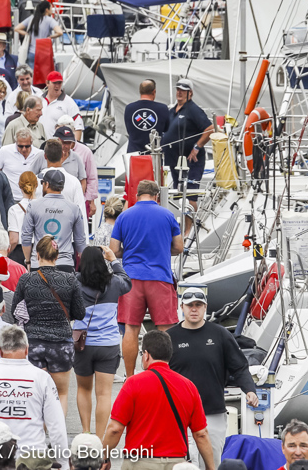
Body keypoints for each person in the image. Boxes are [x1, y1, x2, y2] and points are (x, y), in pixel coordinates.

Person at [169, 288, 259, 465]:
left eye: (198, 305)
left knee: (213, 463)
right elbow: (158, 374)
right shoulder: (170, 337)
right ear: (182, 307)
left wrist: (249, 390)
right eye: (190, 305)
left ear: (205, 308)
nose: (194, 309)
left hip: (213, 411)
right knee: (181, 464)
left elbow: (239, 366)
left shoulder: (220, 334)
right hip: (178, 414)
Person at [103, 330, 215, 470]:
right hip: (177, 464)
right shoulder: (189, 386)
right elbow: (201, 434)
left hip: (140, 463)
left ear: (146, 355)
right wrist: (211, 467)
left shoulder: (133, 384)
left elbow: (115, 429)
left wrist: (104, 456)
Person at [110, 179, 183, 378]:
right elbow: (179, 247)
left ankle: (130, 376)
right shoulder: (168, 215)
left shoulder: (124, 217)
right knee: (165, 329)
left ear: (137, 195)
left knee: (131, 329)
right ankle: (167, 375)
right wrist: (160, 249)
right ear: (156, 196)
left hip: (132, 279)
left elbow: (114, 250)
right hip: (160, 278)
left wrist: (131, 251)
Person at [0, 325, 68, 458]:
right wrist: (63, 464)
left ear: (0, 351)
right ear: (27, 350)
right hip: (33, 460)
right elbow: (57, 427)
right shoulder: (42, 378)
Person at [12, 236, 85, 413]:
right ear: (57, 255)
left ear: (37, 255)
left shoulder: (26, 279)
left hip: (34, 342)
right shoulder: (70, 279)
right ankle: (57, 437)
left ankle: (38, 436)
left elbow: (15, 309)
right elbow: (80, 313)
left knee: (36, 394)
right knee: (61, 393)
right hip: (61, 343)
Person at [74, 245, 132, 438]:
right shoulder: (114, 282)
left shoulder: (76, 282)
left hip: (82, 344)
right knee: (104, 394)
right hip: (108, 344)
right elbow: (127, 282)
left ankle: (85, 432)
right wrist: (113, 259)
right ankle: (99, 439)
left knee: (83, 388)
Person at [161, 78, 214, 234]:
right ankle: (178, 228)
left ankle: (188, 230)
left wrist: (197, 147)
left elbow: (210, 129)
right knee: (178, 193)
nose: (179, 92)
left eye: (183, 90)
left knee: (190, 194)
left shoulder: (193, 109)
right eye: (178, 89)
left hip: (191, 160)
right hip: (175, 160)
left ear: (190, 93)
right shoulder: (173, 110)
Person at [21, 168, 86, 271]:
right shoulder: (74, 208)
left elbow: (26, 237)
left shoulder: (33, 206)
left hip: (39, 263)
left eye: (42, 183)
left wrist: (28, 261)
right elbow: (80, 240)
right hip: (64, 264)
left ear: (46, 184)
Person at [34, 139, 87, 226]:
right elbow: (81, 214)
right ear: (62, 155)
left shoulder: (35, 181)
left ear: (45, 156)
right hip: (67, 236)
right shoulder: (74, 182)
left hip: (40, 236)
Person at [31, 126, 86, 190]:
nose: (66, 146)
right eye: (63, 142)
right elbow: (31, 176)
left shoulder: (76, 158)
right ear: (56, 140)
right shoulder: (41, 155)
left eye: (68, 143)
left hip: (69, 198)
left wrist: (78, 196)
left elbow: (83, 181)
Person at [0, 129, 43, 201]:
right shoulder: (4, 151)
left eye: (27, 146)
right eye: (20, 146)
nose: (24, 149)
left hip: (33, 199)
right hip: (10, 199)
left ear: (31, 142)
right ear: (16, 142)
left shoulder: (39, 154)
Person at [16, 1, 63, 66]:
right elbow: (60, 32)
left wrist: (27, 35)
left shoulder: (32, 18)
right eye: (51, 8)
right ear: (47, 10)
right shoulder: (49, 20)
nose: (52, 9)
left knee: (32, 74)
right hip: (43, 53)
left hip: (32, 52)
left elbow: (16, 28)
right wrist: (50, 37)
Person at [40, 71, 84, 139]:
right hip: (39, 145)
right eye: (54, 83)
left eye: (59, 83)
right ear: (47, 83)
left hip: (57, 146)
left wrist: (74, 147)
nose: (57, 86)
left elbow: (78, 127)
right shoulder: (39, 99)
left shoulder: (69, 103)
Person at [7, 170, 39, 256]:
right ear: (37, 185)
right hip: (40, 251)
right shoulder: (44, 207)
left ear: (19, 186)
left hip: (20, 252)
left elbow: (14, 240)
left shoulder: (14, 209)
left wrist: (7, 253)